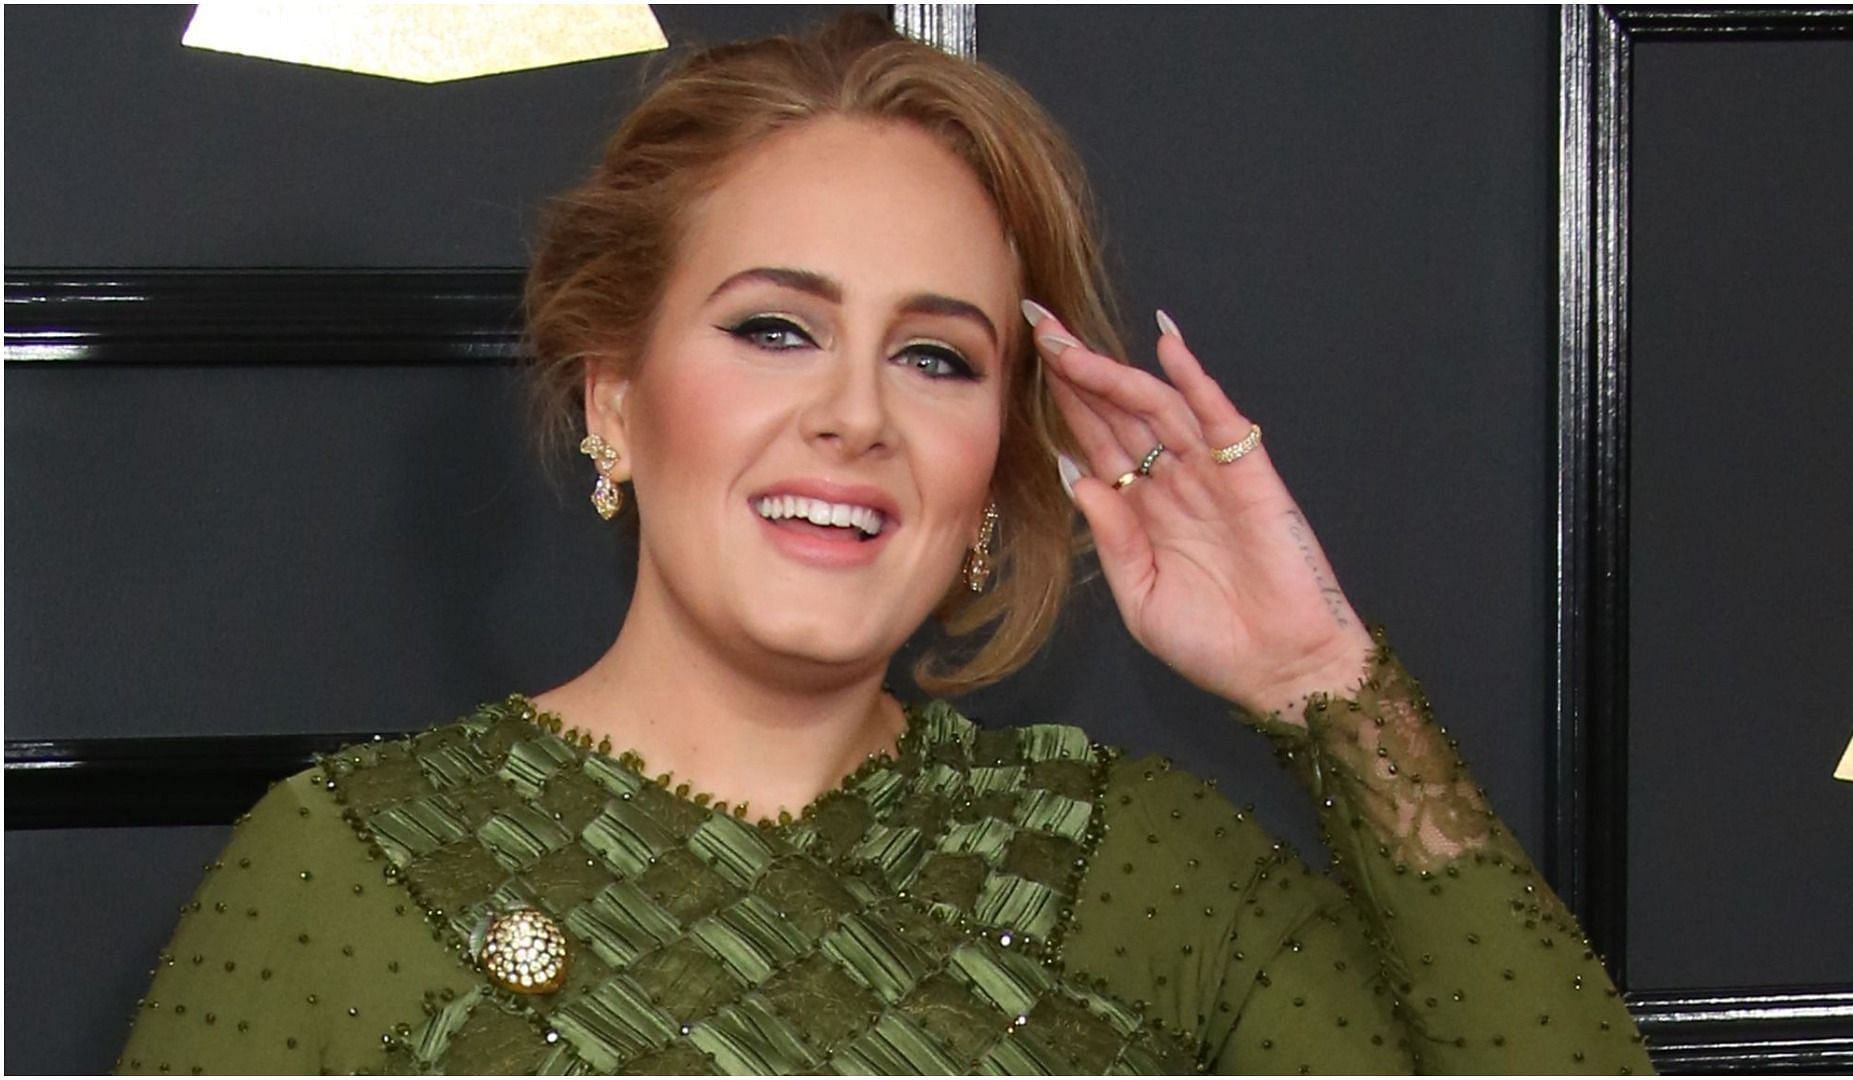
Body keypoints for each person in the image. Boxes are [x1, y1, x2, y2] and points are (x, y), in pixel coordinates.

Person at [116, 13, 1653, 1075]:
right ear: (618, 398)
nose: (856, 417)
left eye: (937, 358)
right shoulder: (349, 872)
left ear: (995, 463)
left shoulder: (1133, 865)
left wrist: (1326, 681)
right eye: (777, 329)